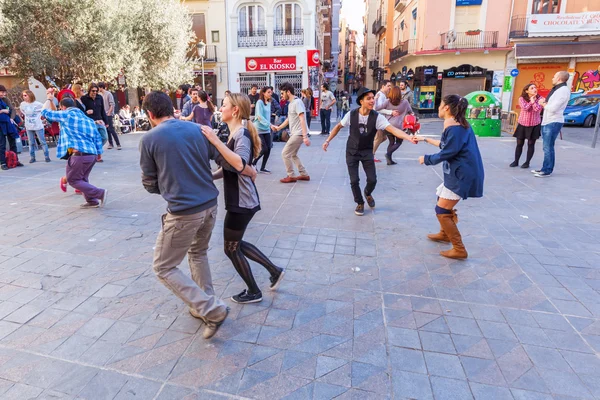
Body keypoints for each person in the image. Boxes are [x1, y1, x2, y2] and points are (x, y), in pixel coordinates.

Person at [138, 91, 230, 339]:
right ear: (172, 108)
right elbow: (222, 159)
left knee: (163, 267)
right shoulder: (197, 129)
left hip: (183, 211)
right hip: (210, 204)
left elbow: (149, 183)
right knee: (198, 252)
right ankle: (205, 304)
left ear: (149, 114)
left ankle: (211, 308)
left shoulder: (149, 139)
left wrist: (170, 186)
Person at [200, 93, 285, 304]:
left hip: (242, 200)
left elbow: (239, 163)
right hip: (240, 199)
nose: (221, 108)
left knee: (230, 248)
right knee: (234, 244)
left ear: (235, 110)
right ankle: (274, 271)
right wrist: (209, 176)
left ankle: (254, 291)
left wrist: (214, 141)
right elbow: (229, 167)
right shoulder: (236, 133)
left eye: (225, 104)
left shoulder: (242, 135)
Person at [322, 87, 417, 216]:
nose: (373, 101)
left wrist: (408, 137)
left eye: (373, 98)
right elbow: (338, 126)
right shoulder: (352, 114)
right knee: (354, 180)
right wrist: (328, 140)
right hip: (352, 151)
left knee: (372, 180)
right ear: (361, 101)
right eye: (369, 99)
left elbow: (393, 129)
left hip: (367, 150)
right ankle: (360, 202)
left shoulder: (377, 117)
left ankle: (367, 193)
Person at [415, 95, 484, 259]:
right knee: (440, 198)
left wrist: (427, 159)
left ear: (446, 108)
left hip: (462, 174)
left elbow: (448, 152)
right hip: (461, 172)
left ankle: (459, 249)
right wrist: (425, 139)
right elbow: (449, 146)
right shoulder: (459, 125)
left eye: (440, 104)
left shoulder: (454, 127)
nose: (439, 107)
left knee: (442, 210)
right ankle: (445, 233)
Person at [42, 96, 108, 209]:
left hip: (79, 155)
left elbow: (45, 112)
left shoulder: (67, 114)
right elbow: (97, 137)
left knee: (73, 179)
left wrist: (48, 99)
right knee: (83, 179)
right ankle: (92, 201)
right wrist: (98, 154)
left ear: (63, 107)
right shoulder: (88, 119)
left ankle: (100, 193)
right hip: (91, 155)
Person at [532, 71, 570, 177]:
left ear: (559, 78)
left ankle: (547, 170)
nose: (552, 78)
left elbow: (553, 108)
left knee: (548, 147)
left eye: (554, 76)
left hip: (553, 121)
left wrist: (543, 103)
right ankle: (544, 168)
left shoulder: (562, 91)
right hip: (548, 120)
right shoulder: (557, 89)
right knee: (546, 147)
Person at [272, 83, 311, 183]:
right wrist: (279, 127)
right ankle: (304, 174)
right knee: (293, 154)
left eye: (282, 93)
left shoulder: (297, 102)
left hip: (299, 133)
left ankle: (291, 175)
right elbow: (289, 119)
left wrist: (305, 136)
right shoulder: (291, 103)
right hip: (296, 133)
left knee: (285, 154)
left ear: (288, 92)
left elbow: (302, 119)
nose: (281, 95)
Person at [376, 86, 413, 165]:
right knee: (399, 142)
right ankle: (388, 154)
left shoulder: (387, 101)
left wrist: (376, 99)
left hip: (388, 125)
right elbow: (411, 112)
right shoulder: (405, 102)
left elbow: (377, 108)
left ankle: (389, 160)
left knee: (391, 142)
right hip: (399, 126)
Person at [511, 84, 543, 169]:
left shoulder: (541, 99)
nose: (534, 89)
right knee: (519, 143)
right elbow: (525, 108)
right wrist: (530, 101)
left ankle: (527, 162)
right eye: (532, 88)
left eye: (535, 87)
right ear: (526, 91)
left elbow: (537, 109)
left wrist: (533, 101)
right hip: (522, 123)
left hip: (534, 124)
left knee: (531, 143)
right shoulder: (521, 98)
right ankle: (516, 161)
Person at [20, 90, 50, 163]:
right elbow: (23, 112)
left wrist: (43, 118)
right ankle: (32, 157)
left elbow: (45, 109)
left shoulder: (38, 104)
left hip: (38, 125)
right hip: (29, 125)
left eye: (25, 95)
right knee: (31, 142)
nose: (24, 97)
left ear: (30, 95)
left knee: (42, 141)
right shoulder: (23, 104)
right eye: (23, 95)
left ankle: (46, 156)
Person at [81, 83, 108, 162]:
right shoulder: (84, 98)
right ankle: (97, 155)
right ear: (89, 90)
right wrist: (87, 113)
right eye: (93, 91)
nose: (95, 93)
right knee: (94, 139)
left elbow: (102, 110)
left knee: (104, 137)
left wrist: (106, 122)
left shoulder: (100, 98)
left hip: (100, 121)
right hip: (91, 122)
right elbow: (82, 111)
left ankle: (94, 150)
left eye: (96, 91)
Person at [0, 85, 24, 170]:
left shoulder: (6, 100)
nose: (4, 94)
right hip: (1, 124)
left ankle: (15, 160)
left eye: (4, 92)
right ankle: (3, 163)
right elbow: (6, 110)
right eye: (2, 92)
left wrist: (11, 118)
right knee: (2, 144)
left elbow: (12, 109)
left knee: (12, 142)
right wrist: (2, 111)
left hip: (8, 122)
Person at [253, 87, 274, 173]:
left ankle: (263, 167)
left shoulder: (269, 102)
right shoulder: (259, 102)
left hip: (266, 129)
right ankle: (253, 163)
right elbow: (259, 116)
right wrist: (270, 124)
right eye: (268, 92)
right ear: (263, 93)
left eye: (271, 92)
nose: (270, 94)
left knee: (269, 148)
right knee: (264, 148)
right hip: (258, 129)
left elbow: (267, 115)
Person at [372, 80, 393, 162]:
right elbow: (378, 109)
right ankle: (371, 155)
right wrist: (390, 112)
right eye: (388, 86)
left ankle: (369, 151)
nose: (389, 88)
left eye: (390, 86)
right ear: (383, 86)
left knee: (383, 138)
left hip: (380, 120)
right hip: (378, 120)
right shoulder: (380, 95)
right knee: (379, 138)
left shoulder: (382, 95)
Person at [98, 82, 120, 150]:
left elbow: (112, 104)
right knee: (107, 130)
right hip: (103, 114)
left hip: (108, 114)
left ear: (101, 87)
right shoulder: (99, 95)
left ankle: (118, 144)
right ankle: (110, 144)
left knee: (111, 129)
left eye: (98, 87)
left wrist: (109, 113)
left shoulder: (108, 94)